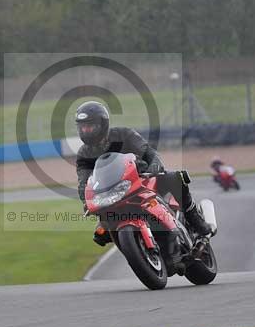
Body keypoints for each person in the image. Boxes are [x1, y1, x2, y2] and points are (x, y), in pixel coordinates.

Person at [74, 100, 212, 247]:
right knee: (100, 234)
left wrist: (154, 165)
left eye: (90, 126)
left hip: (142, 179)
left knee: (176, 178)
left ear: (103, 124)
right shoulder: (83, 154)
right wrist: (86, 200)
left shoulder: (124, 134)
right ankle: (139, 252)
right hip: (113, 196)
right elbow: (84, 182)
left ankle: (198, 222)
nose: (86, 131)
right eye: (83, 127)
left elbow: (148, 152)